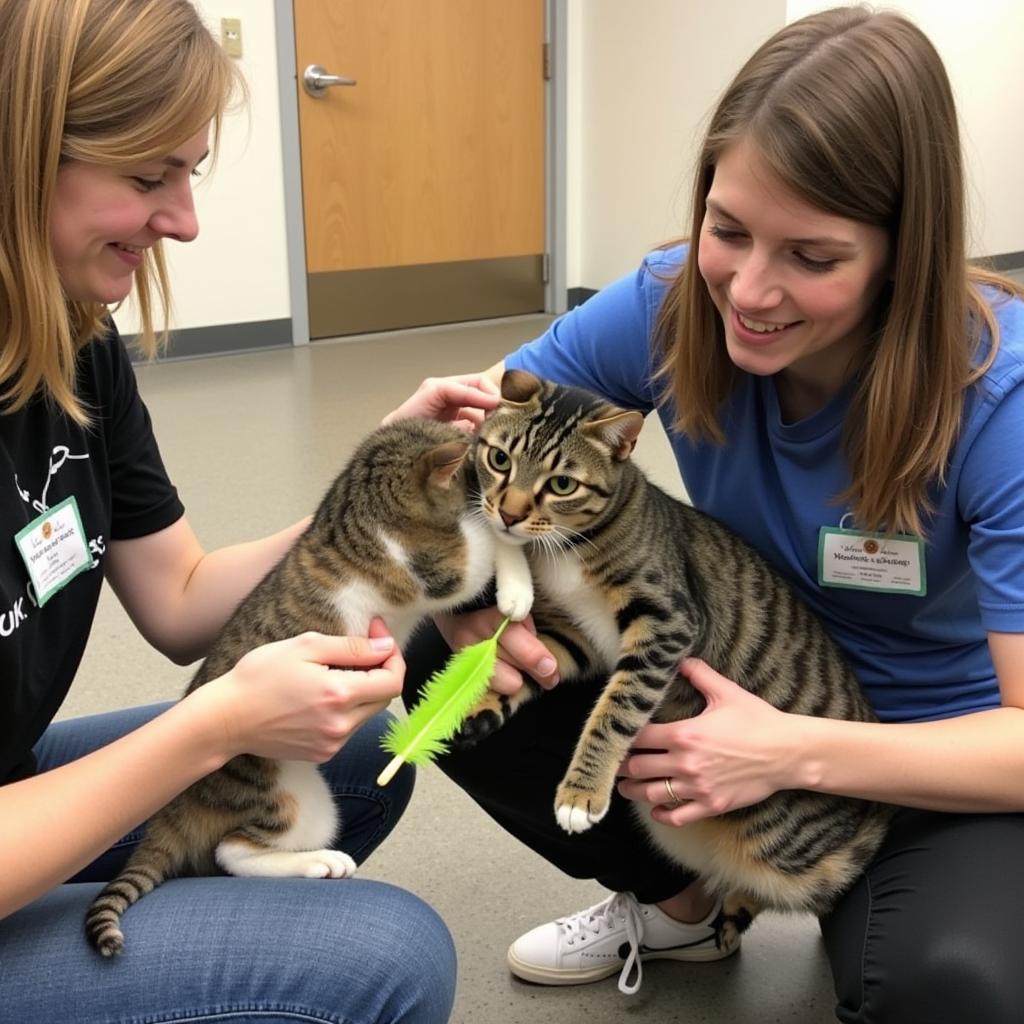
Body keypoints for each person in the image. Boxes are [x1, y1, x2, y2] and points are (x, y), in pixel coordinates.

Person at [388, 6, 1024, 1022]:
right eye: (728, 231)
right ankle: (686, 904)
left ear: (905, 252)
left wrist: (785, 750)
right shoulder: (670, 300)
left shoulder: (1001, 404)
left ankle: (860, 894)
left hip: (932, 760)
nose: (751, 291)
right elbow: (462, 441)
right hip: (721, 677)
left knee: (946, 983)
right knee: (445, 668)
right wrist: (462, 590)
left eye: (812, 257)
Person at [0, 2, 496, 1021]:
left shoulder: (73, 337)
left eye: (188, 173)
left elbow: (181, 598)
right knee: (385, 957)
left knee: (361, 753)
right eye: (147, 179)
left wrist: (373, 485)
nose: (183, 221)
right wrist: (212, 723)